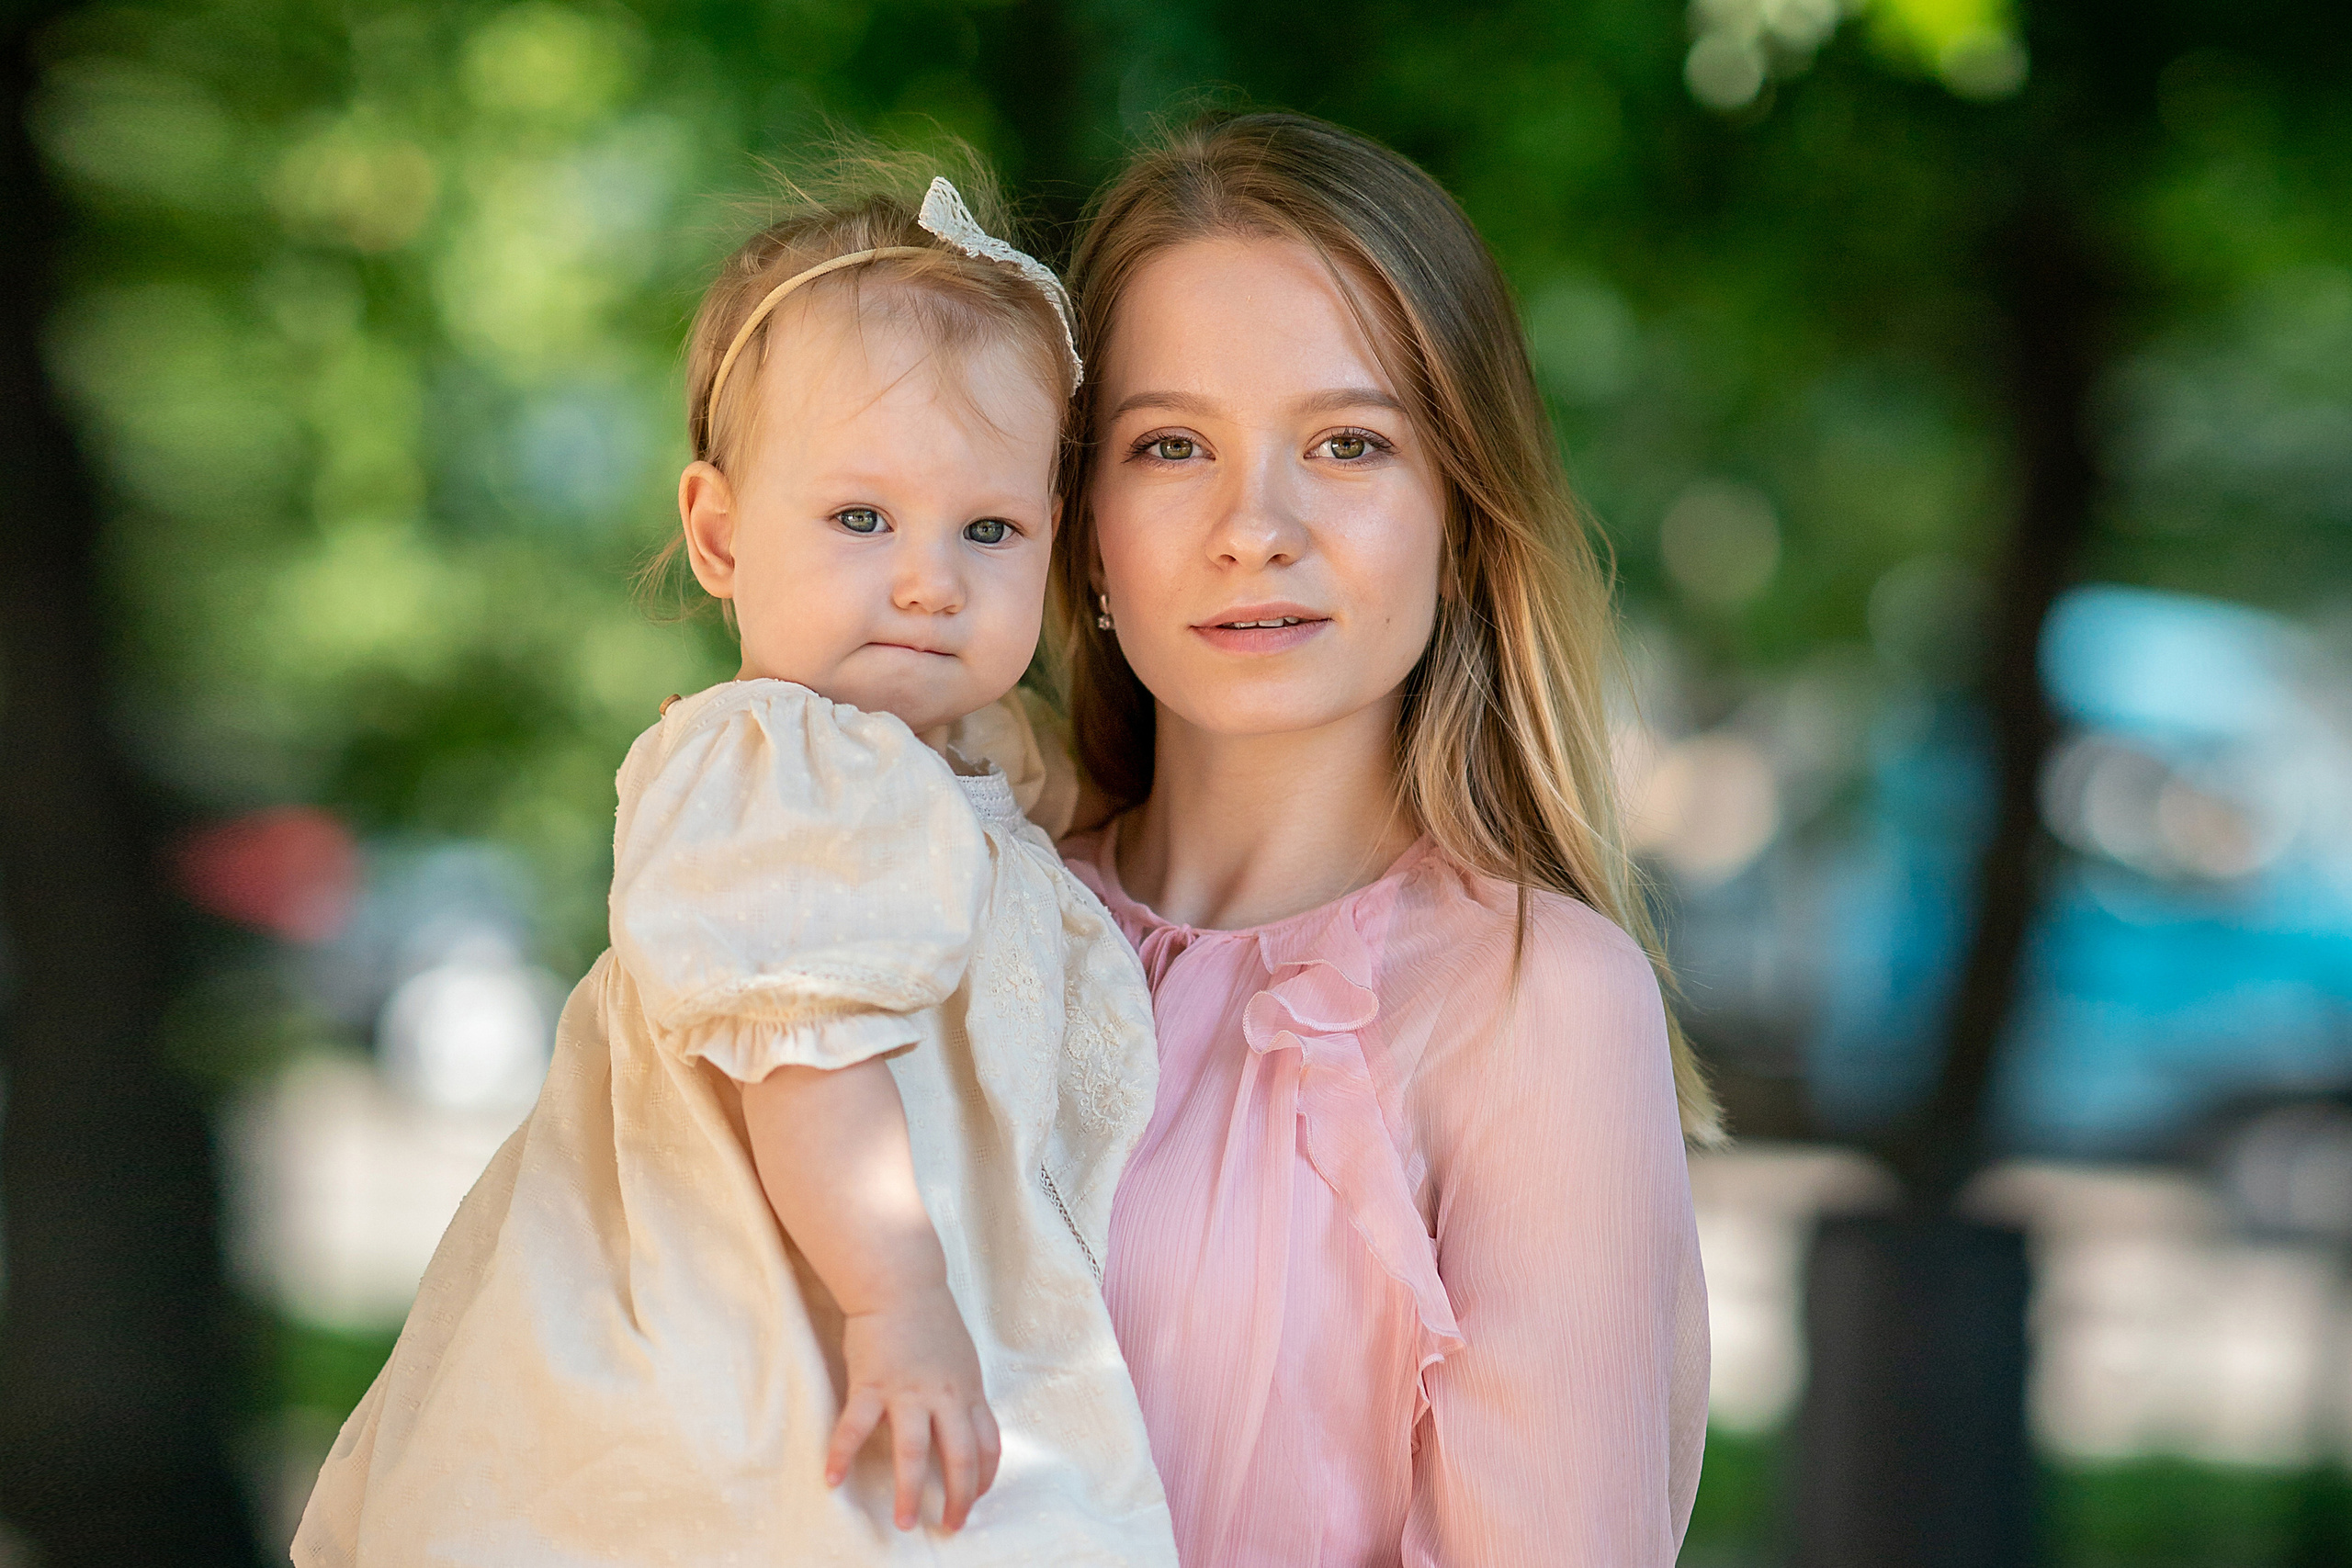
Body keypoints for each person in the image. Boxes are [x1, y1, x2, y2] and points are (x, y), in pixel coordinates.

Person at [295, 158, 1177, 1567]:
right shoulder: (781, 767)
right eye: (861, 519)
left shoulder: (967, 766)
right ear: (717, 533)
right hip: (797, 1318)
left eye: (989, 530)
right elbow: (812, 1059)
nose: (928, 579)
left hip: (893, 1312)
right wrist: (898, 1298)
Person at [1050, 112, 1723, 1566]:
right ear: (1084, 522)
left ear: (1460, 516)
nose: (1255, 525)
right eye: (1171, 445)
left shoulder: (1534, 999)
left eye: (1348, 443)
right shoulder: (959, 919)